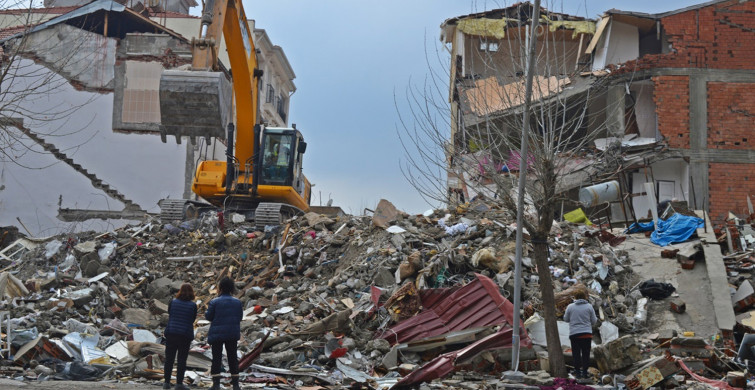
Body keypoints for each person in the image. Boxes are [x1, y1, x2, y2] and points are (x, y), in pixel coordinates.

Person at [206, 277, 243, 390]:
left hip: (217, 334)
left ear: (220, 288)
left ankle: (216, 384)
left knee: (216, 358)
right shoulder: (237, 302)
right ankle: (235, 385)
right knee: (232, 357)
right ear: (232, 288)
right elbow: (240, 317)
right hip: (232, 333)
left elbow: (208, 316)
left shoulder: (214, 302)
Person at [163, 283, 197, 390]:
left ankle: (166, 383)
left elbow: (170, 314)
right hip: (185, 335)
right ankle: (178, 384)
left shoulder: (173, 302)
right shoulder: (193, 305)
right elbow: (192, 319)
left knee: (169, 358)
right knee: (182, 360)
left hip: (171, 332)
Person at [563, 289, 597, 379]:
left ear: (575, 297)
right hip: (587, 334)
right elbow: (594, 321)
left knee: (576, 354)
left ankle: (578, 373)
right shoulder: (589, 307)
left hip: (574, 335)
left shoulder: (570, 307)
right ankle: (585, 373)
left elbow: (566, 319)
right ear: (585, 297)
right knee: (586, 355)